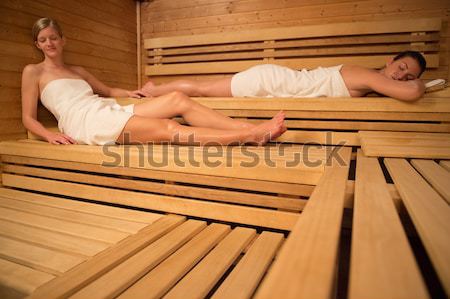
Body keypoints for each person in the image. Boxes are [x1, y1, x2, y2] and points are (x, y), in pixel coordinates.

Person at [22, 18, 286, 146]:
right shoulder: (33, 72)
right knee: (167, 127)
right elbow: (28, 118)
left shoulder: (77, 70)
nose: (49, 43)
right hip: (83, 121)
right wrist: (48, 135)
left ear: (63, 40)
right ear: (38, 44)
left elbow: (108, 91)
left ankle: (247, 127)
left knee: (178, 100)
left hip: (103, 107)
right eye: (43, 39)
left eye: (54, 37)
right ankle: (246, 136)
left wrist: (132, 92)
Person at [140, 51, 427, 102]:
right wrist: (423, 82)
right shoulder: (367, 75)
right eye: (401, 68)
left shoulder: (373, 84)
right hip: (271, 82)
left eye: (408, 75)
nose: (401, 77)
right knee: (201, 90)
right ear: (390, 61)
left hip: (276, 82)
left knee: (203, 89)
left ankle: (154, 89)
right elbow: (412, 93)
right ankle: (150, 91)